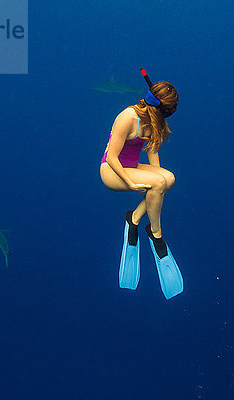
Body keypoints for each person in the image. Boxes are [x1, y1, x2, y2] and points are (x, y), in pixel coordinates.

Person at [99, 69, 183, 300]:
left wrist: (161, 179)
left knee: (169, 178)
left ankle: (133, 219)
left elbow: (153, 152)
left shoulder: (154, 120)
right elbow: (113, 158)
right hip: (111, 171)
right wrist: (130, 182)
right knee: (158, 183)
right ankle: (155, 235)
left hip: (131, 168)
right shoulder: (127, 117)